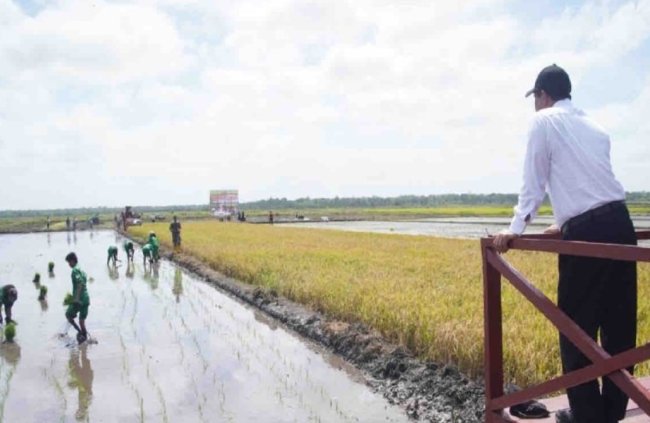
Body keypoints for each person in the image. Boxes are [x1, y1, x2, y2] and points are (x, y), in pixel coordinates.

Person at [493, 64, 637, 423]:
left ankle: (588, 416)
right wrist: (563, 222)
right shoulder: (596, 127)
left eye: (535, 99)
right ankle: (613, 412)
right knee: (619, 325)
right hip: (621, 226)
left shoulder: (543, 122)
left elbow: (534, 183)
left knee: (576, 327)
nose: (535, 107)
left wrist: (515, 229)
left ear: (543, 96)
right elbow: (590, 185)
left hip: (586, 236)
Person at [64, 253, 90, 343]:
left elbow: (80, 283)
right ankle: (85, 337)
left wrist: (76, 298)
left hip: (80, 299)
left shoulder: (75, 270)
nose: (69, 265)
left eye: (68, 262)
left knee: (68, 315)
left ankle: (80, 332)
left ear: (72, 260)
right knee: (81, 321)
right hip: (86, 298)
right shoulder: (82, 270)